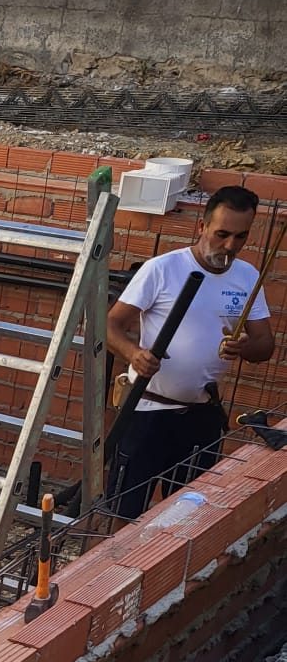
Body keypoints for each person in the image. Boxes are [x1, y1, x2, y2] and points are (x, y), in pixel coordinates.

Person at [105, 186, 275, 521]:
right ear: (202, 226)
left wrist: (246, 347)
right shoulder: (162, 269)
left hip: (202, 415)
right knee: (123, 511)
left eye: (240, 237)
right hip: (148, 409)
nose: (229, 246)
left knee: (187, 516)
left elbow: (265, 346)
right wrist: (134, 353)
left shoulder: (247, 277)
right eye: (221, 234)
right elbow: (109, 325)